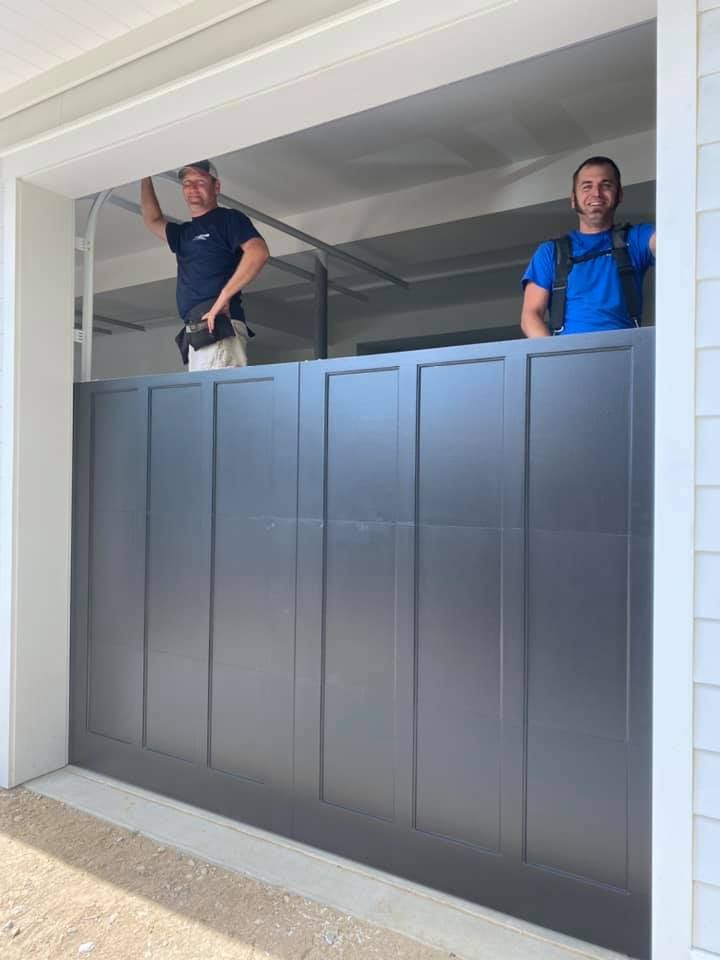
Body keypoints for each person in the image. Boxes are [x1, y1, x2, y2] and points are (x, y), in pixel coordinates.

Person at [140, 160, 269, 369]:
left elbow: (258, 252)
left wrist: (223, 298)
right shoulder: (184, 233)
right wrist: (145, 176)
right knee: (207, 389)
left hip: (219, 325)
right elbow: (152, 220)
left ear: (216, 186)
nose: (192, 188)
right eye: (187, 183)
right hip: (198, 332)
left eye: (200, 182)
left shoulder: (228, 219)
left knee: (218, 388)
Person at [520, 156, 656, 338]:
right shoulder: (551, 252)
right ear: (573, 199)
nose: (596, 193)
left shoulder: (636, 239)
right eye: (587, 186)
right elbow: (531, 315)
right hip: (569, 352)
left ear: (619, 195)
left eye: (606, 185)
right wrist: (554, 354)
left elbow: (675, 244)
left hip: (625, 350)